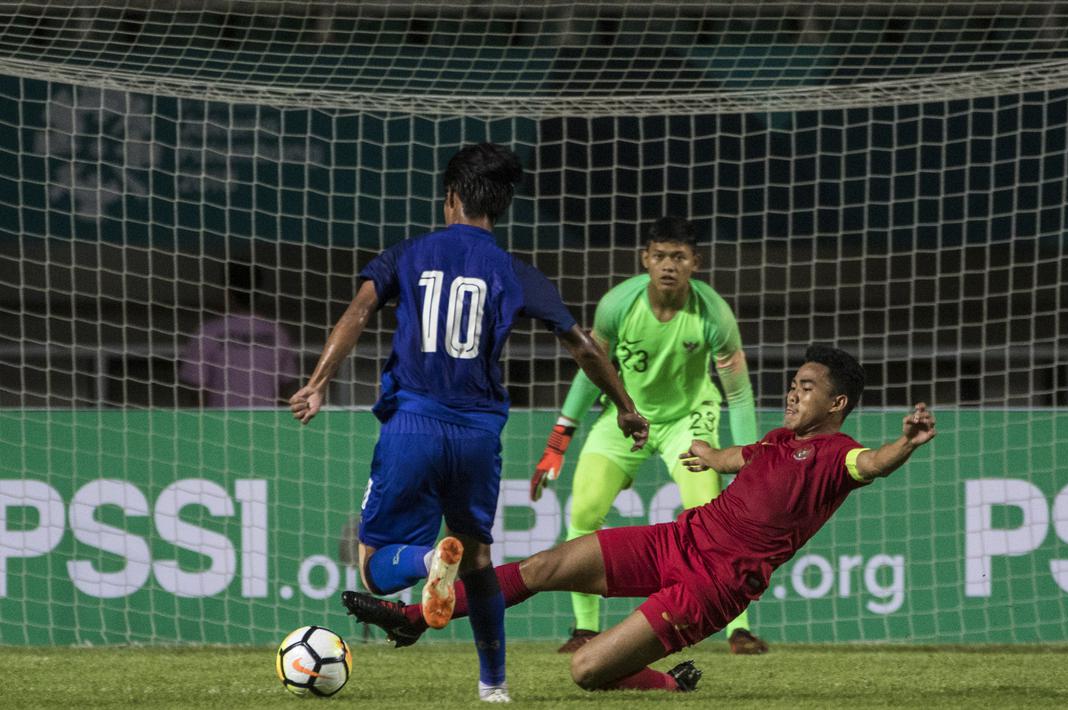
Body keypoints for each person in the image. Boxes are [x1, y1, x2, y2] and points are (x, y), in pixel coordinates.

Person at [342, 345, 937, 693]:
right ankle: (413, 616)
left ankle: (669, 683)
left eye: (806, 388)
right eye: (793, 383)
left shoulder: (838, 455)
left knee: (587, 670)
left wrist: (905, 444)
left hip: (716, 583)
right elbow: (743, 458)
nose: (792, 392)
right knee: (545, 563)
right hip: (679, 539)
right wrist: (709, 456)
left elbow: (874, 464)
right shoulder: (782, 438)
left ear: (836, 404)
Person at [289, 143, 649, 704]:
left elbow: (358, 312)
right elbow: (582, 346)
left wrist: (317, 382)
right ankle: (494, 685)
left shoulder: (406, 254)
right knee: (479, 558)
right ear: (499, 206)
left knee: (375, 569)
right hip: (479, 436)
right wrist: (625, 405)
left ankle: (430, 559)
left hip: (413, 425)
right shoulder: (514, 271)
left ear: (451, 198)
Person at [528, 216, 767, 655]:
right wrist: (559, 439)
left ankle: (740, 630)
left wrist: (746, 459)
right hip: (627, 416)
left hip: (688, 421)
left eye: (678, 256)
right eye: (659, 256)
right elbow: (590, 367)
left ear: (695, 262)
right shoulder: (618, 305)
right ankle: (584, 629)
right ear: (645, 259)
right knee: (583, 511)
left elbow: (740, 393)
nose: (668, 265)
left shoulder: (714, 314)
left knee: (713, 520)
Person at [179, 261, 297, 407]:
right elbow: (284, 390)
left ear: (226, 290)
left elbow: (197, 390)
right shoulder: (277, 332)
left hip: (221, 424)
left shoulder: (208, 332)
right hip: (266, 423)